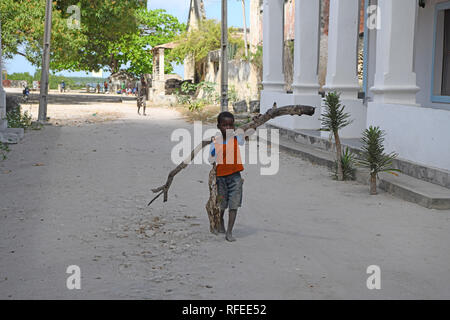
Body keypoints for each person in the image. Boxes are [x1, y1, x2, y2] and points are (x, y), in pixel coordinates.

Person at [209, 112, 245, 242]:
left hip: (235, 177)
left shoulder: (236, 138)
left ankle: (229, 231)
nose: (228, 128)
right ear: (219, 126)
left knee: (234, 205)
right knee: (222, 204)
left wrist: (252, 125)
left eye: (231, 125)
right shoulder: (215, 141)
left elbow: (243, 139)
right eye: (225, 125)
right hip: (221, 178)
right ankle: (221, 220)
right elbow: (210, 158)